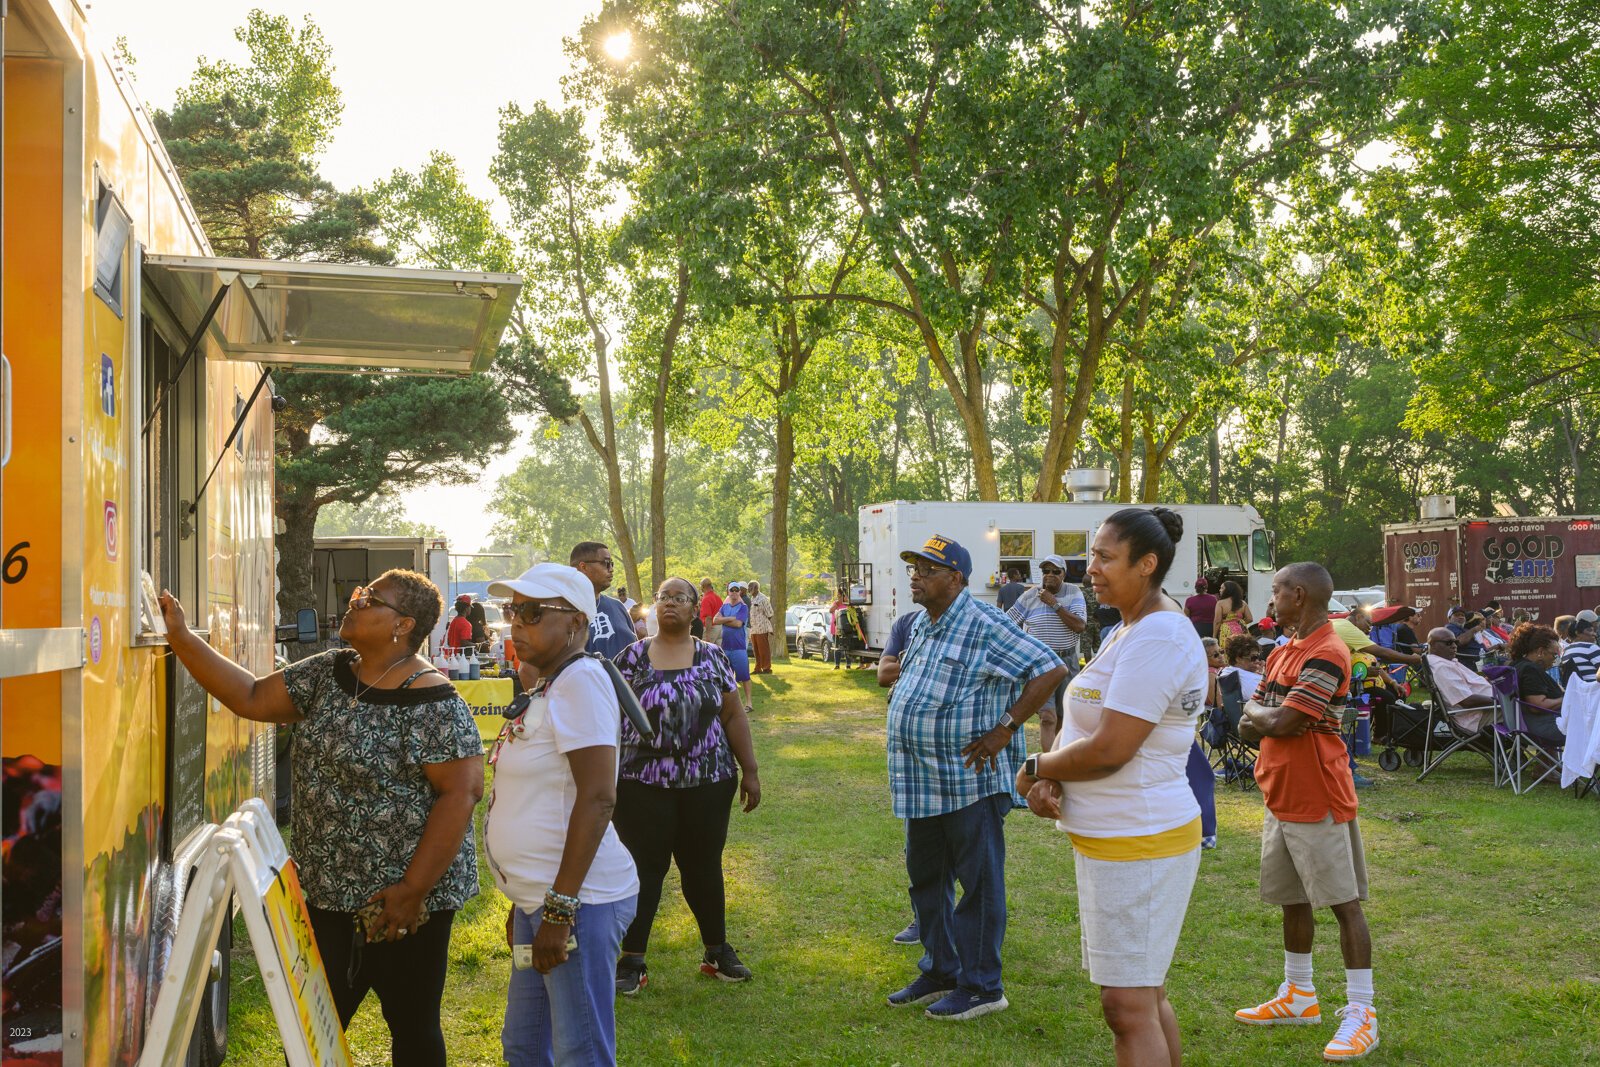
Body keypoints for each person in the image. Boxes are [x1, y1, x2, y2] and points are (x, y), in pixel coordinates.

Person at [158, 572, 482, 1067]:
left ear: (403, 624)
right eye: (358, 593)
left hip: (404, 906)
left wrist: (413, 890)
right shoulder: (328, 673)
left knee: (413, 1028)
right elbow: (248, 697)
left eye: (369, 599)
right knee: (310, 1032)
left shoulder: (432, 699)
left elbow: (461, 794)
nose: (354, 601)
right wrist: (181, 637)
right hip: (328, 895)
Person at [1015, 507, 1208, 1065]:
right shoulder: (1133, 627)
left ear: (1146, 564)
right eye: (1092, 555)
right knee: (1143, 994)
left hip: (1140, 839)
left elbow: (1111, 750)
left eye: (1104, 557)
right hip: (1122, 840)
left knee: (1127, 1006)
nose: (1089, 569)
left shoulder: (1159, 636)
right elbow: (1092, 729)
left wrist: (1039, 767)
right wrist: (1055, 772)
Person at [885, 534, 1065, 1022]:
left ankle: (982, 985)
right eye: (914, 568)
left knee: (977, 884)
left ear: (957, 578)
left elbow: (1049, 668)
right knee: (927, 879)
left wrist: (1005, 729)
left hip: (969, 778)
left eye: (927, 568)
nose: (916, 576)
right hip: (921, 778)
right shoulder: (923, 623)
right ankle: (940, 968)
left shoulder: (985, 622)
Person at [484, 563, 640, 1067]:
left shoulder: (581, 681)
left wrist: (558, 908)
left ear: (575, 624)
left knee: (581, 1052)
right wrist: (525, 896)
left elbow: (598, 796)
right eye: (512, 612)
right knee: (525, 1047)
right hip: (543, 901)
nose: (516, 625)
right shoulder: (551, 684)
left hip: (578, 904)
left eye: (531, 612)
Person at [1235, 562, 1379, 1063]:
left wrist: (1269, 718)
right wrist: (1267, 718)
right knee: (1292, 898)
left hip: (1317, 791)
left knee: (1343, 902)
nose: (1270, 599)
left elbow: (1286, 718)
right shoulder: (1284, 650)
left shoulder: (1328, 652)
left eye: (1275, 591)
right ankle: (1299, 996)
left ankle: (1362, 1012)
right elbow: (1251, 720)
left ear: (1298, 594)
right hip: (1280, 791)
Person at [611, 577, 762, 996]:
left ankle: (717, 952)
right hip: (642, 784)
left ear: (696, 610)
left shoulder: (713, 657)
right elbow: (608, 718)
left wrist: (749, 770)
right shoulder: (631, 658)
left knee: (703, 866)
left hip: (708, 782)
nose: (671, 603)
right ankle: (632, 960)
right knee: (644, 869)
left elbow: (733, 716)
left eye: (681, 598)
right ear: (653, 608)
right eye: (664, 597)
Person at [876, 606, 926, 946]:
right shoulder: (906, 622)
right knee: (918, 846)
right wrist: (918, 660)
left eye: (927, 571)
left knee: (966, 849)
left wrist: (907, 661)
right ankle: (924, 919)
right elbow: (883, 673)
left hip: (958, 755)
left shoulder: (977, 619)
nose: (917, 578)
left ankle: (968, 924)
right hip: (910, 756)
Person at [1005, 553, 1087, 753]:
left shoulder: (1073, 592)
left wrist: (1054, 604)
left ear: (1063, 574)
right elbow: (1007, 624)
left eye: (1055, 572)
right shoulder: (1030, 595)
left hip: (1067, 661)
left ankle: (1058, 759)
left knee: (1064, 716)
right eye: (1045, 571)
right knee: (1047, 717)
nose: (1049, 575)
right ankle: (1048, 765)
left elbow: (1079, 625)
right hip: (1041, 664)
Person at [571, 541, 637, 661]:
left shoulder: (618, 607)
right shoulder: (564, 611)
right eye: (606, 563)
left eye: (612, 564)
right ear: (583, 567)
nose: (611, 569)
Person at [1506, 623, 1566, 755]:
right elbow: (1537, 705)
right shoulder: (1530, 670)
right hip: (1544, 728)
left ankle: (1545, 766)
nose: (1555, 660)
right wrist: (1566, 698)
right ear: (1540, 652)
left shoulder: (1517, 665)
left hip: (1528, 725)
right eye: (1554, 655)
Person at [1423, 628, 1495, 732]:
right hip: (1476, 717)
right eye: (1448, 643)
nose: (1454, 646)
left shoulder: (1447, 661)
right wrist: (1501, 700)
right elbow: (1466, 701)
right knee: (1521, 710)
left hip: (1485, 709)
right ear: (1432, 644)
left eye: (1455, 642)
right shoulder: (1441, 667)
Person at [714, 582, 754, 709]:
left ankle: (749, 703)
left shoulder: (743, 607)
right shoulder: (724, 607)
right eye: (732, 590)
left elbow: (738, 624)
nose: (735, 593)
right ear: (728, 592)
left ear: (740, 592)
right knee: (726, 677)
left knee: (744, 676)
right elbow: (715, 620)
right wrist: (730, 618)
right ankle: (728, 704)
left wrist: (724, 620)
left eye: (737, 590)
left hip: (739, 648)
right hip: (725, 648)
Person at [1559, 612, 1600, 685]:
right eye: (1590, 630)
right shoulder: (1591, 647)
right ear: (1577, 633)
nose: (1594, 634)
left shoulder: (1566, 650)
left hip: (1578, 692)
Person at [746, 580, 776, 674]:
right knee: (756, 650)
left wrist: (763, 622)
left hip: (762, 628)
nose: (749, 589)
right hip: (753, 628)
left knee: (764, 649)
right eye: (748, 587)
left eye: (751, 587)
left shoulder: (763, 598)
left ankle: (767, 668)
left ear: (756, 588)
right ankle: (758, 668)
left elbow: (770, 613)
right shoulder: (751, 598)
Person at [1446, 606, 1487, 671]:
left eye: (1463, 615)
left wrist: (1497, 646)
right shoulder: (1450, 628)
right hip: (1470, 664)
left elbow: (1481, 647)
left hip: (1483, 659)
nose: (1461, 617)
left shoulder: (1465, 629)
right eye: (1457, 615)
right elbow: (1460, 642)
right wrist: (1474, 630)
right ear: (1449, 618)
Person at [699, 579, 723, 645]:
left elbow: (708, 617)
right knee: (718, 652)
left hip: (712, 628)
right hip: (720, 628)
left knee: (706, 650)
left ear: (703, 587)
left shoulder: (706, 598)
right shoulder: (718, 598)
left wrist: (707, 635)